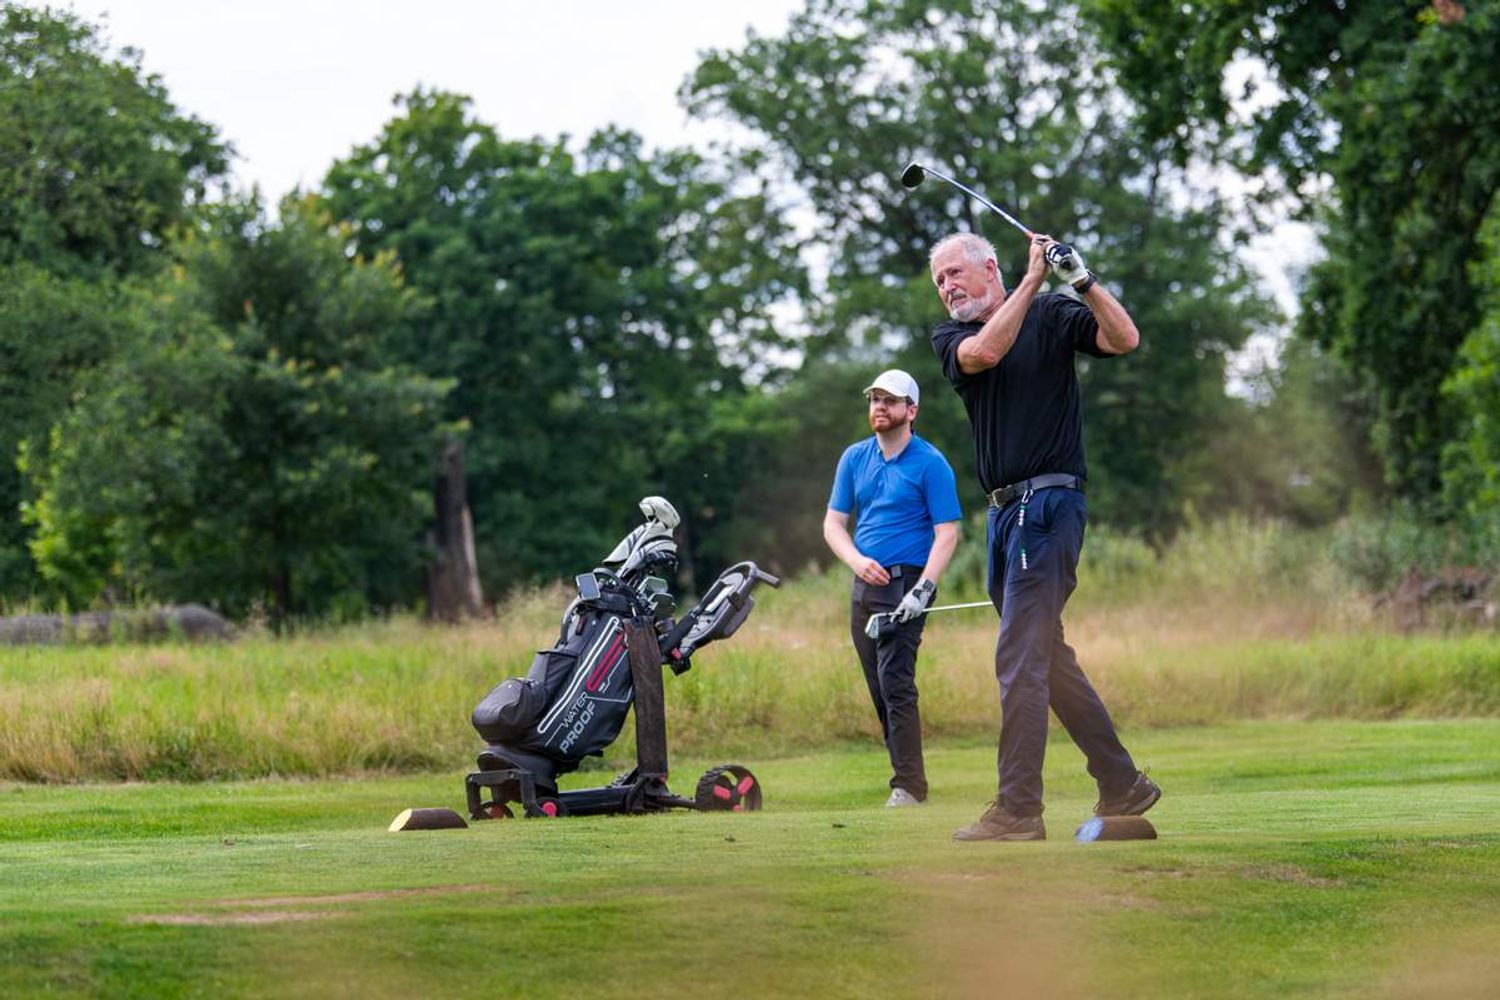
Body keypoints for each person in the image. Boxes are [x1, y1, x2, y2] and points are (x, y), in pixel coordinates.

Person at [927, 231, 1161, 841]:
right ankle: (1122, 782)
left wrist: (1081, 280)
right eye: (940, 280)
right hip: (1004, 518)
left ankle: (1018, 809)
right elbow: (986, 353)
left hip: (1048, 505)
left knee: (1020, 656)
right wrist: (1033, 279)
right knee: (1045, 658)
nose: (947, 287)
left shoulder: (1054, 313)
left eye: (955, 273)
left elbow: (1124, 339)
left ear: (989, 267)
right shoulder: (951, 337)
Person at [824, 369, 962, 807]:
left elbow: (947, 533)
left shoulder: (930, 463)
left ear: (911, 410)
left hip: (907, 584)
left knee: (895, 681)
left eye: (890, 400)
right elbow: (833, 524)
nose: (879, 407)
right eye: (874, 399)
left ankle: (908, 786)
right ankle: (907, 775)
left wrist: (923, 589)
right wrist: (857, 561)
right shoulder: (854, 457)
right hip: (865, 584)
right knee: (878, 685)